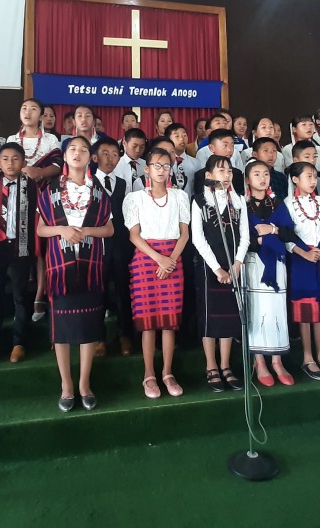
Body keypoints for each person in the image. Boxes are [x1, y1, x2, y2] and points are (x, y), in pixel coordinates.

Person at [37, 137, 114, 412]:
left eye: (84, 150)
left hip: (91, 266)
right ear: (65, 157)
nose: (78, 153)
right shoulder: (49, 191)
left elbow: (109, 229)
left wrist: (85, 232)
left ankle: (84, 383)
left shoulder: (99, 192)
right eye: (72, 149)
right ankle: (66, 385)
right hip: (60, 269)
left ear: (90, 157)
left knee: (89, 328)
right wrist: (63, 230)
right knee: (62, 331)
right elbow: (41, 229)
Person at [124, 147, 190, 399]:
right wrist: (158, 258)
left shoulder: (180, 196)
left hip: (173, 259)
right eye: (157, 165)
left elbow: (184, 233)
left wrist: (171, 259)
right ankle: (149, 374)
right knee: (149, 323)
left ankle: (167, 372)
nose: (162, 170)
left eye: (166, 165)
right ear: (147, 169)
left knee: (169, 322)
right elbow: (133, 235)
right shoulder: (135, 198)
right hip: (146, 259)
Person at [278, 161, 320, 381]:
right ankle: (308, 358)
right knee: (306, 313)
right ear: (295, 179)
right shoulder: (287, 204)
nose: (313, 181)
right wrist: (304, 253)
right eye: (308, 176)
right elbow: (285, 235)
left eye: (315, 176)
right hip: (301, 262)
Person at [190, 155, 249, 392]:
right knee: (210, 317)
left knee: (229, 317)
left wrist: (236, 264)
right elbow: (197, 237)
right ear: (209, 176)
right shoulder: (199, 201)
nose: (226, 175)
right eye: (221, 170)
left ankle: (226, 365)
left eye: (229, 171)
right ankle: (211, 365)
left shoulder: (239, 201)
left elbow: (244, 236)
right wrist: (217, 268)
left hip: (233, 266)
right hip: (208, 267)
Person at [0, 143, 38, 365]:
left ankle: (19, 342)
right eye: (6, 159)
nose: (10, 163)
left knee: (20, 295)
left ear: (24, 163)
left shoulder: (32, 187)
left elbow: (38, 218)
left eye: (15, 159)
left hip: (20, 245)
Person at [6, 98, 63, 322]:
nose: (27, 112)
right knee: (20, 242)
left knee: (41, 246)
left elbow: (57, 166)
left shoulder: (49, 139)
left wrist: (39, 172)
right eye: (24, 108)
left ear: (41, 115)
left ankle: (41, 292)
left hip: (42, 196)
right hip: (15, 197)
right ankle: (20, 295)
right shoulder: (12, 139)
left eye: (33, 109)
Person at [243, 160, 294, 386]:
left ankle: (277, 360)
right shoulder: (242, 205)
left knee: (276, 309)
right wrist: (259, 239)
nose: (262, 178)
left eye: (265, 174)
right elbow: (241, 238)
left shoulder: (278, 204)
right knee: (258, 310)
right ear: (247, 180)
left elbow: (290, 232)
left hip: (277, 263)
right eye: (256, 174)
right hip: (254, 263)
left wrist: (271, 230)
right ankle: (259, 361)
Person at [92, 137, 134, 355]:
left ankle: (124, 335)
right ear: (94, 157)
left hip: (120, 245)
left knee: (122, 290)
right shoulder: (88, 183)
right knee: (98, 291)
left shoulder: (123, 184)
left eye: (115, 154)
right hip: (96, 246)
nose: (110, 158)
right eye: (105, 153)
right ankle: (98, 338)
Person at [165, 122, 197, 195]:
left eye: (184, 135)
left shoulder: (195, 163)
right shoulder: (165, 163)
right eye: (177, 136)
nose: (182, 139)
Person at [115, 128, 147, 192]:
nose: (138, 150)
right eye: (134, 146)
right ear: (124, 143)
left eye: (142, 147)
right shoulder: (116, 165)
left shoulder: (147, 165)